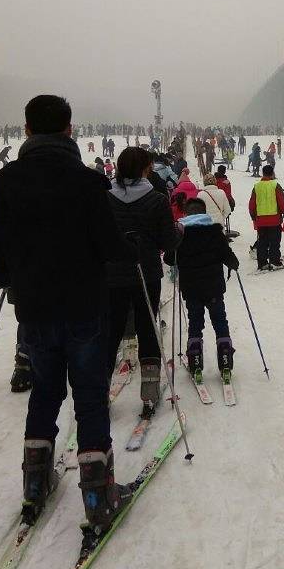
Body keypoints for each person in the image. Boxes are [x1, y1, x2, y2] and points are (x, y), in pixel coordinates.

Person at [0, 95, 134, 534]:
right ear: (70, 130)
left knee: (45, 392)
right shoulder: (88, 183)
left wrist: (6, 277)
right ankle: (97, 496)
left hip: (33, 308)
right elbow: (110, 246)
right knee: (89, 395)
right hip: (84, 306)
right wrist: (127, 248)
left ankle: (34, 482)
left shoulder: (4, 182)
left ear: (27, 129)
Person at [104, 146, 179, 410]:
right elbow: (167, 240)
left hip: (112, 273)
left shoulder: (105, 198)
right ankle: (149, 385)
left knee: (111, 329)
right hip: (145, 271)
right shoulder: (156, 199)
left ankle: (99, 388)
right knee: (147, 324)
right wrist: (178, 232)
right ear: (145, 168)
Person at [170, 198, 239, 379]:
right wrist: (233, 263)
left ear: (186, 213)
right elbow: (229, 257)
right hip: (214, 288)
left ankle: (196, 363)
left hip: (191, 289)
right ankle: (225, 361)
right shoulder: (215, 232)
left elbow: (169, 259)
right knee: (220, 321)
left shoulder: (180, 234)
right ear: (204, 212)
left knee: (195, 324)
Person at [248, 164, 284, 271]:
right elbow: (282, 201)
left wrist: (253, 216)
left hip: (261, 220)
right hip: (274, 220)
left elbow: (252, 203)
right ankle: (275, 261)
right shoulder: (275, 185)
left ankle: (262, 263)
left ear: (263, 173)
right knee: (274, 242)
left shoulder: (257, 186)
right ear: (272, 173)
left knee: (262, 242)